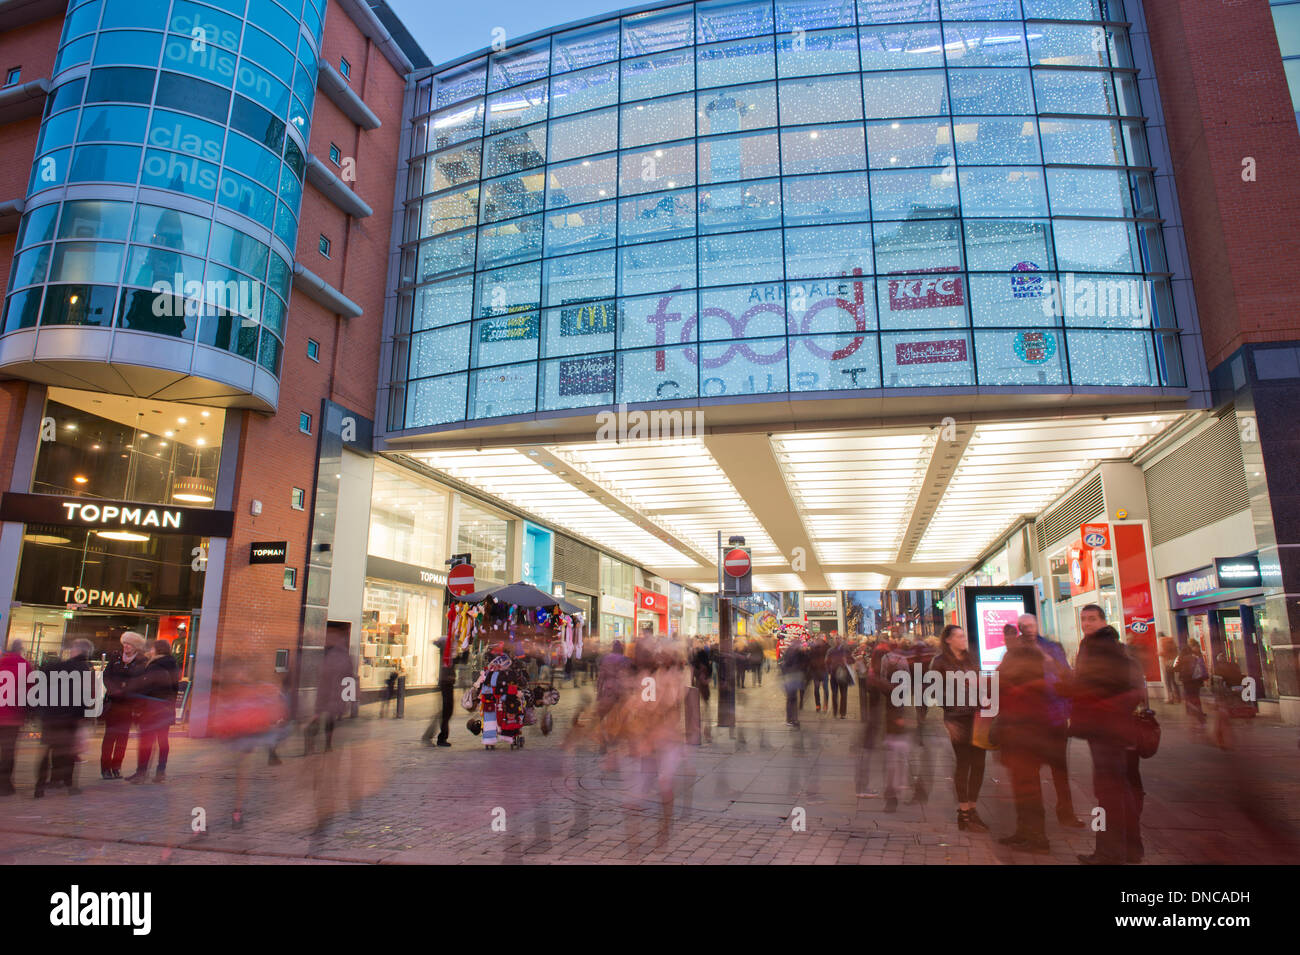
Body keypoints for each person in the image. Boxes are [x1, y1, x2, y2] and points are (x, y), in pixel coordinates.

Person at [1070, 621, 1145, 865]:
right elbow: (1137, 693)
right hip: (1121, 734)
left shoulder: (1098, 666)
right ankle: (1133, 849)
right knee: (1123, 792)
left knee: (1107, 796)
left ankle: (1108, 853)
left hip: (1102, 735)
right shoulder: (1124, 661)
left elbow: (1080, 691)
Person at [1019, 613, 1085, 829]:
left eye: (1030, 625)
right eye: (1024, 626)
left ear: (1037, 626)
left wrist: (1067, 710)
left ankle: (1066, 813)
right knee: (1030, 772)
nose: (1028, 629)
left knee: (1060, 770)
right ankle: (1035, 820)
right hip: (1030, 721)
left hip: (1054, 717)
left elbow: (1065, 676)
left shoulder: (1052, 648)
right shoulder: (1016, 651)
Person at [927, 625, 989, 832]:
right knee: (964, 763)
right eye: (959, 636)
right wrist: (948, 719)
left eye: (964, 635)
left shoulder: (970, 658)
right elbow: (932, 690)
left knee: (979, 763)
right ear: (948, 640)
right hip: (957, 717)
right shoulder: (940, 662)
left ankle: (972, 809)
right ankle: (963, 812)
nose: (964, 640)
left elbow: (980, 683)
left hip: (977, 715)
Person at [995, 630, 1051, 852]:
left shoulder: (1022, 660)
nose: (1007, 642)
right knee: (1023, 785)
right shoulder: (1026, 658)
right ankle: (1025, 832)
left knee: (1028, 786)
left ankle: (1037, 838)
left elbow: (1002, 684)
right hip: (1020, 732)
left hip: (1024, 734)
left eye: (1010, 638)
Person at [35, 639, 94, 797]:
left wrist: (41, 709)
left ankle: (39, 787)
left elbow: (40, 687)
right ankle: (70, 785)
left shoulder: (55, 666)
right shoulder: (85, 669)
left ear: (75, 650)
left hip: (51, 715)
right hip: (70, 716)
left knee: (47, 749)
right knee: (69, 752)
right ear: (86, 653)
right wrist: (83, 716)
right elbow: (85, 696)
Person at [128, 638, 180, 783]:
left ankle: (141, 772)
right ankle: (160, 772)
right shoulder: (172, 665)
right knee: (163, 740)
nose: (150, 651)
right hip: (166, 709)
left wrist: (139, 706)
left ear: (157, 650)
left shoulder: (154, 666)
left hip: (151, 710)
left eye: (152, 649)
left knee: (146, 740)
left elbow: (148, 689)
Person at [101, 632, 146, 779]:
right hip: (113, 703)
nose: (126, 646)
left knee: (122, 738)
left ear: (136, 647)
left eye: (130, 644)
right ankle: (105, 768)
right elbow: (106, 676)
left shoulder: (141, 661)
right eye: (125, 643)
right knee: (109, 737)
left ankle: (116, 766)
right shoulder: (115, 658)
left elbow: (141, 681)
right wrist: (114, 690)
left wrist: (127, 691)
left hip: (128, 705)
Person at [0, 640, 29, 796]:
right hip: (12, 716)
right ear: (21, 650)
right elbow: (29, 691)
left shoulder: (1, 662)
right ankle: (4, 785)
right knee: (8, 751)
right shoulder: (24, 665)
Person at [1174, 638, 1208, 724]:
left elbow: (1175, 668)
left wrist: (1181, 670)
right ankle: (1197, 711)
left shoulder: (1182, 656)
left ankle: (1191, 711)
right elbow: (1202, 668)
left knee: (1189, 695)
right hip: (1194, 679)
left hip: (1186, 679)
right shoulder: (1195, 656)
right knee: (1195, 695)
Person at [779, 637, 807, 728]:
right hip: (791, 677)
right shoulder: (792, 652)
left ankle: (793, 719)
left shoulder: (794, 652)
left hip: (793, 677)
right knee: (792, 699)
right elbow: (786, 664)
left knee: (793, 699)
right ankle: (790, 719)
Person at [826, 637, 853, 719]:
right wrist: (829, 671)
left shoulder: (846, 650)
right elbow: (827, 662)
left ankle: (842, 713)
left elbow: (852, 660)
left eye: (839, 639)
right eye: (836, 639)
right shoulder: (830, 650)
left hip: (843, 674)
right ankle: (835, 711)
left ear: (841, 641)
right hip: (834, 675)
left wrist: (846, 661)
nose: (837, 641)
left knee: (843, 694)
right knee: (834, 694)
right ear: (834, 641)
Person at [807, 636, 829, 713]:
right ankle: (822, 705)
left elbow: (809, 659)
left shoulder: (814, 649)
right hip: (821, 671)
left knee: (819, 689)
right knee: (823, 689)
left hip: (819, 671)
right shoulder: (825, 648)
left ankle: (820, 705)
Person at [1158, 633, 1180, 703]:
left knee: (1167, 682)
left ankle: (1170, 698)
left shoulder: (1162, 641)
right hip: (1172, 662)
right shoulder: (1171, 641)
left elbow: (1162, 652)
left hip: (1166, 663)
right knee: (1173, 680)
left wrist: (1158, 653)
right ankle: (1178, 697)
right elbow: (1176, 652)